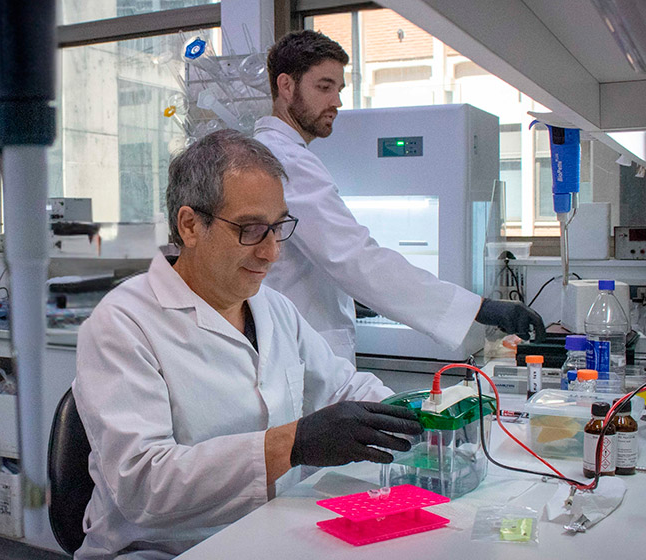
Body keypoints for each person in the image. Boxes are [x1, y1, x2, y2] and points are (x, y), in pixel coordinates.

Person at [72, 130, 423, 559]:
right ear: (190, 225)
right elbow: (144, 486)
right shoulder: (122, 324)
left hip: (268, 533)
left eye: (278, 228)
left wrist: (421, 413)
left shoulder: (272, 308)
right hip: (164, 550)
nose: (272, 253)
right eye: (252, 229)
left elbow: (344, 389)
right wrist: (291, 444)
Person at [254, 30, 545, 365]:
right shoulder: (286, 160)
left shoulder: (279, 153)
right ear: (286, 86)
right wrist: (480, 308)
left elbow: (323, 259)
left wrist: (356, 298)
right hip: (304, 354)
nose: (337, 102)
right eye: (324, 87)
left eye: (339, 89)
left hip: (302, 346)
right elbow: (355, 257)